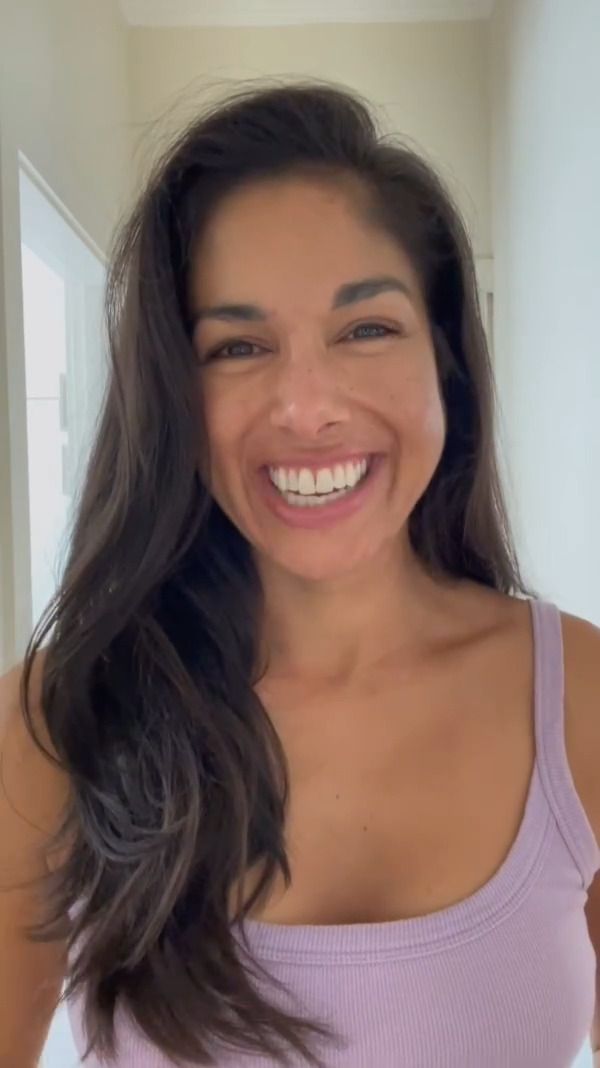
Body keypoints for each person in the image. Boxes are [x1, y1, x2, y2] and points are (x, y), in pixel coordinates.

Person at [1, 77, 599, 1068]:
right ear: (174, 397)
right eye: (238, 346)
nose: (307, 406)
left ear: (445, 363)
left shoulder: (579, 696)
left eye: (366, 329)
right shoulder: (57, 725)